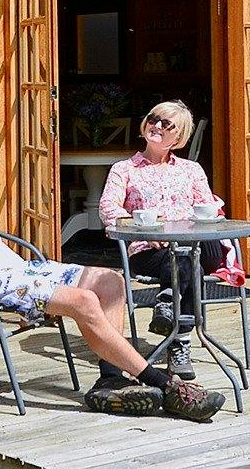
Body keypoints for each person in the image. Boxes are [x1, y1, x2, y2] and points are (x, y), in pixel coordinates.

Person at [0, 98, 223, 421]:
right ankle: (164, 385)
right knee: (83, 301)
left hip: (15, 268)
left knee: (110, 280)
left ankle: (110, 382)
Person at [97, 101, 241, 369]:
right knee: (187, 263)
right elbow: (108, 210)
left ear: (180, 136)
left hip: (189, 246)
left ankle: (166, 304)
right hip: (147, 251)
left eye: (166, 124)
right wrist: (144, 230)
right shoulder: (124, 169)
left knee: (187, 257)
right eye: (153, 118)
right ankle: (181, 344)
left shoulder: (191, 170)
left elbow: (207, 209)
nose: (156, 125)